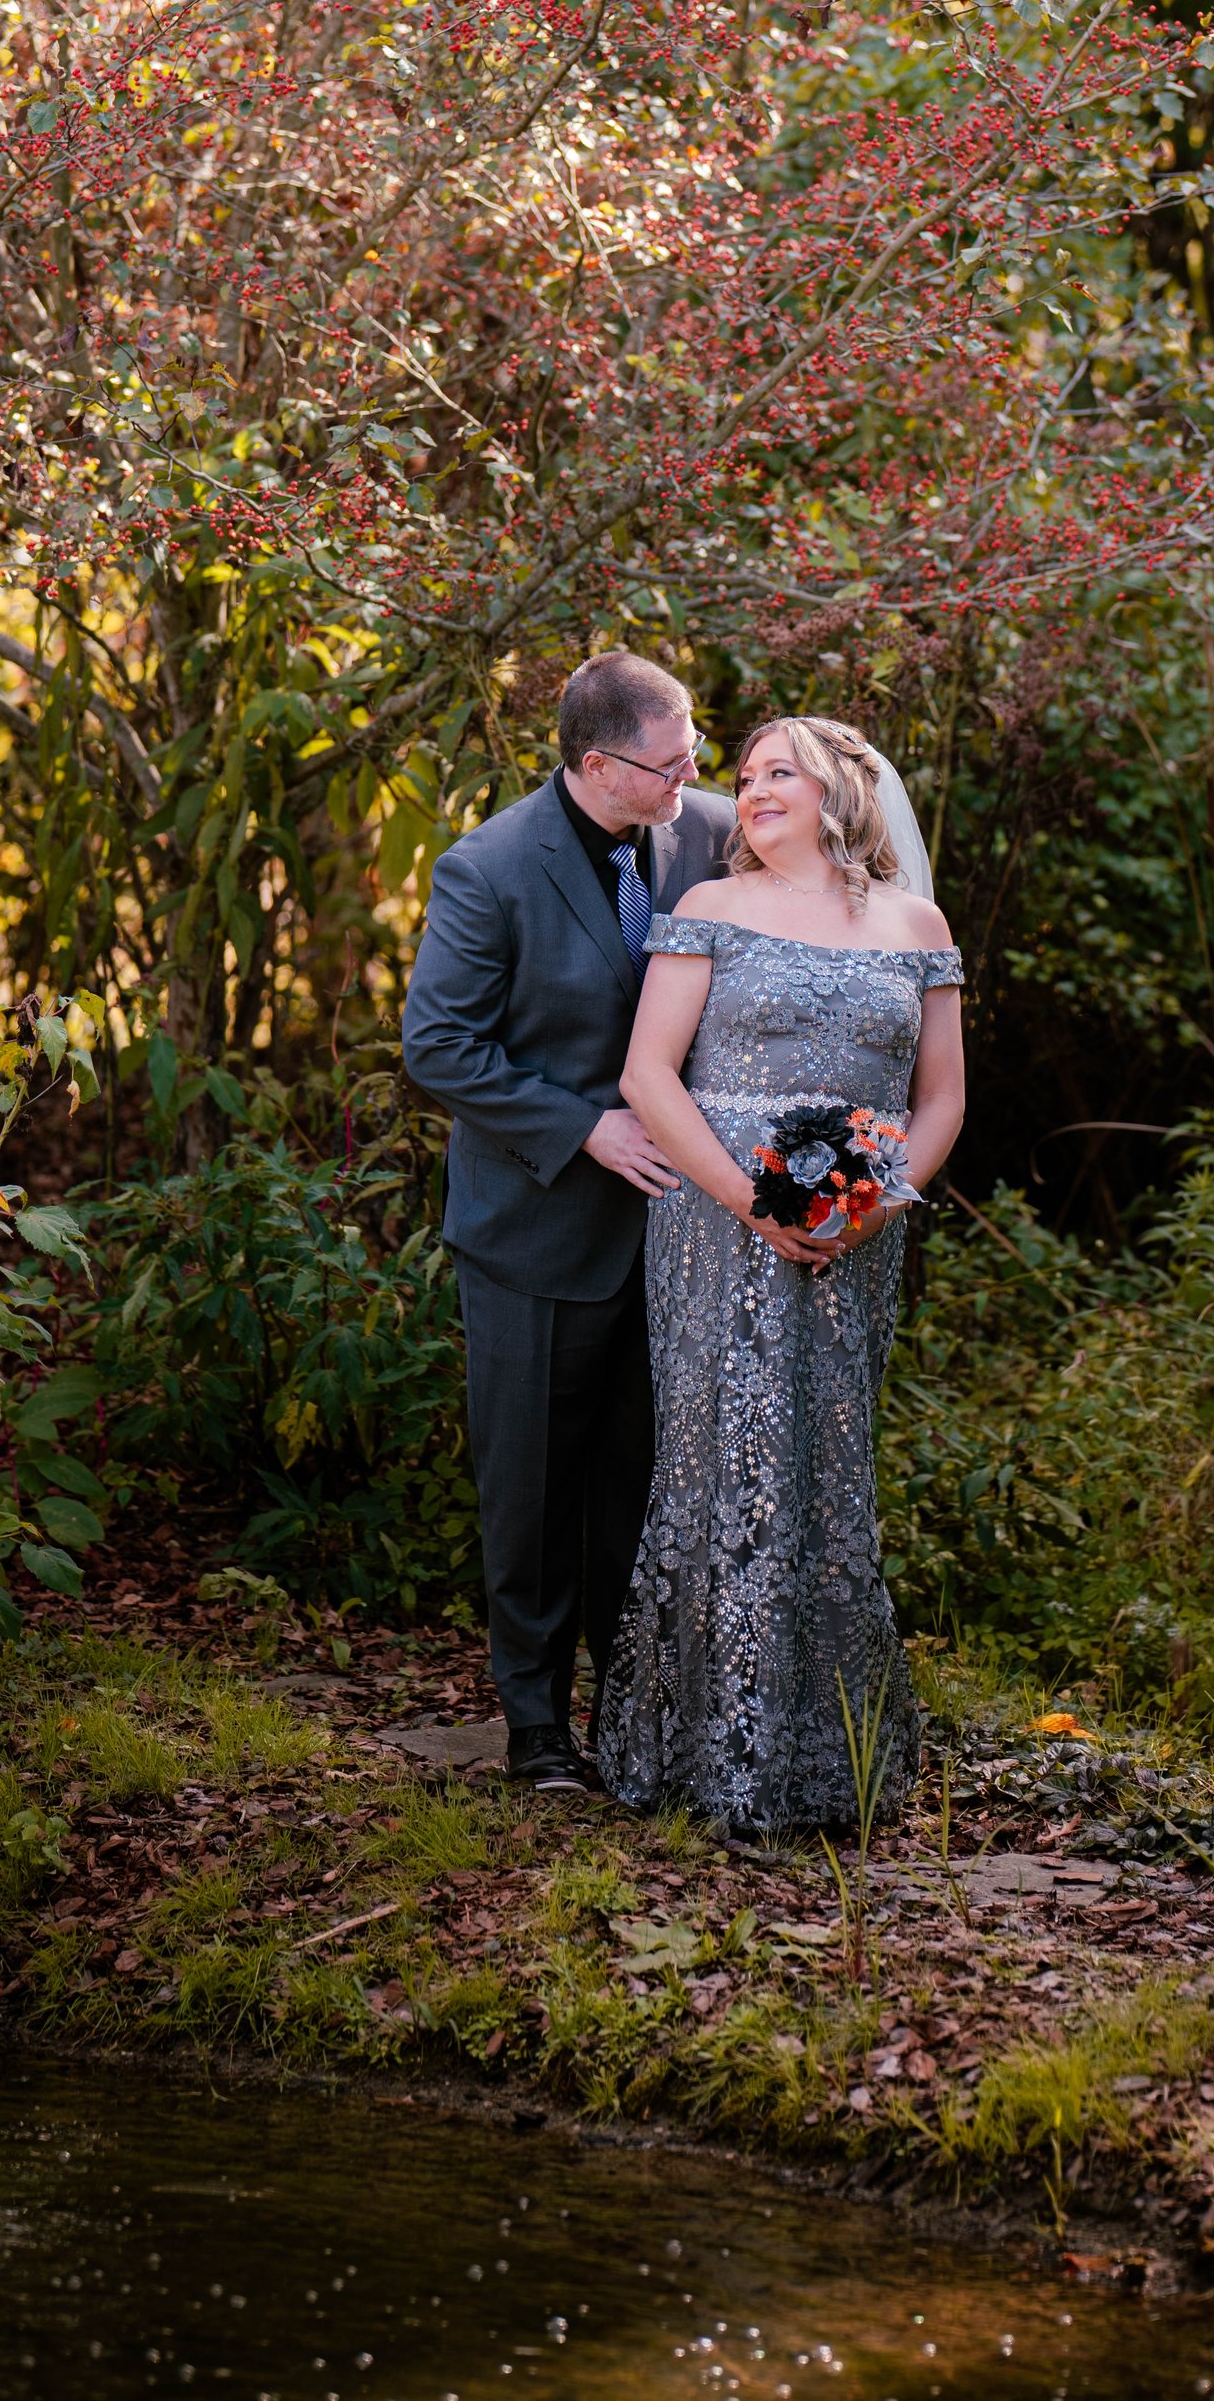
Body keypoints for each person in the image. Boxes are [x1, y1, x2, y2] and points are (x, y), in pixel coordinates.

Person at [596, 713, 965, 1839]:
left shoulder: (915, 923)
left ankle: (825, 1747)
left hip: (855, 1234)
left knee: (824, 1460)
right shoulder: (709, 911)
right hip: (715, 1223)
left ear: (840, 791)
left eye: (776, 775)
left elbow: (941, 1099)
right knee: (726, 1459)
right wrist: (749, 1199)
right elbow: (649, 1075)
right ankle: (708, 1749)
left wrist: (874, 1201)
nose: (749, 793)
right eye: (744, 776)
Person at [401, 650, 735, 1791]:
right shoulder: (487, 870)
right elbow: (438, 1048)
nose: (695, 770)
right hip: (535, 1235)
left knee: (638, 1489)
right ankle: (536, 1728)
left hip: (682, 1235)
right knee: (533, 1488)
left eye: (696, 743)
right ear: (598, 765)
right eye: (673, 757)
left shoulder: (712, 835)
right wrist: (582, 1128)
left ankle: (636, 1718)